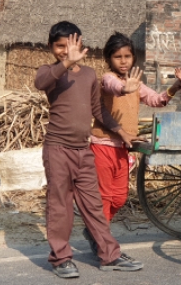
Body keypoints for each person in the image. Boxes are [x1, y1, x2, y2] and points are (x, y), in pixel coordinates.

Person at [34, 21, 144, 279]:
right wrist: (67, 63)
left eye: (71, 45)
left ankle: (110, 255)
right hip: (58, 149)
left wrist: (121, 131)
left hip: (84, 150)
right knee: (60, 205)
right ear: (50, 47)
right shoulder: (50, 72)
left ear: (81, 44)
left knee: (94, 205)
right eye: (60, 46)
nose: (65, 50)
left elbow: (98, 110)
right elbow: (41, 83)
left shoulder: (89, 75)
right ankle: (61, 258)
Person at [84, 32, 181, 252]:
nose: (123, 61)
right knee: (104, 196)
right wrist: (124, 89)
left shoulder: (136, 84)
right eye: (118, 57)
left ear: (133, 58)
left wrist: (175, 87)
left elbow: (156, 100)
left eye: (127, 56)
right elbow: (113, 86)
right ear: (108, 59)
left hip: (123, 149)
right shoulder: (107, 79)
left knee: (119, 198)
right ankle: (101, 240)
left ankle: (95, 229)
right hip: (102, 146)